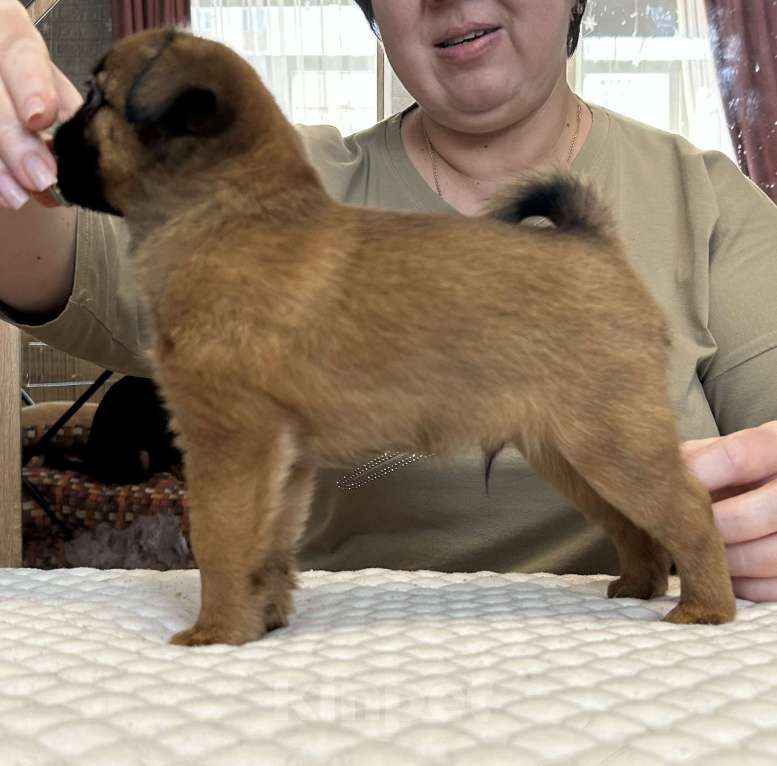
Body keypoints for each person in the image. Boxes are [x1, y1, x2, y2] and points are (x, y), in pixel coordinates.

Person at [1, 0, 776, 601]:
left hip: (628, 654)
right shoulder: (265, 188)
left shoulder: (709, 207)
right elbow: (45, 246)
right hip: (331, 659)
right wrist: (20, 135)